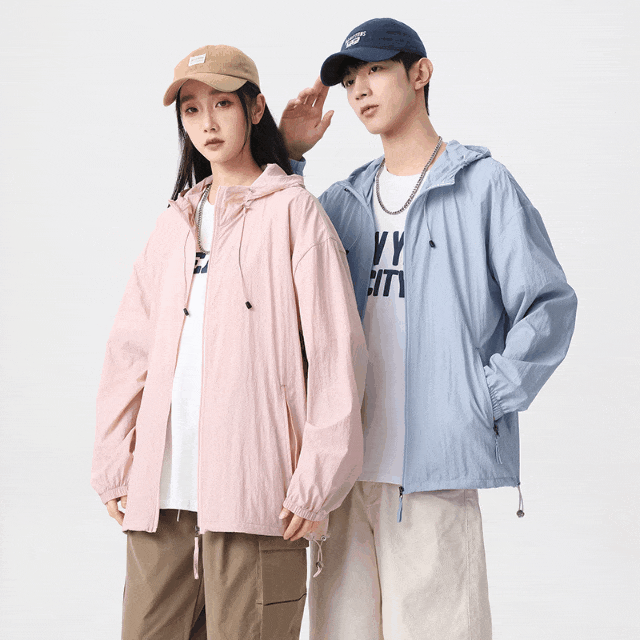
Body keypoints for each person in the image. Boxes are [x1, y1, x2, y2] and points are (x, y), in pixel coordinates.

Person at [279, 18, 577, 640]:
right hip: (343, 474)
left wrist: (482, 397)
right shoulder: (343, 200)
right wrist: (286, 159)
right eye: (350, 79)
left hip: (434, 473)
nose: (360, 89)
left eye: (376, 70)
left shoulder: (482, 185)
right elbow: (275, 276)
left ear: (420, 73)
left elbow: (547, 304)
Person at [90, 44, 367, 640]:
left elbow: (336, 355)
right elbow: (129, 350)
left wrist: (317, 482)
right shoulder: (175, 222)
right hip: (160, 498)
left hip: (258, 498)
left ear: (255, 109)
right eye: (192, 110)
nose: (207, 123)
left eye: (222, 104)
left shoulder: (295, 214)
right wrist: (115, 462)